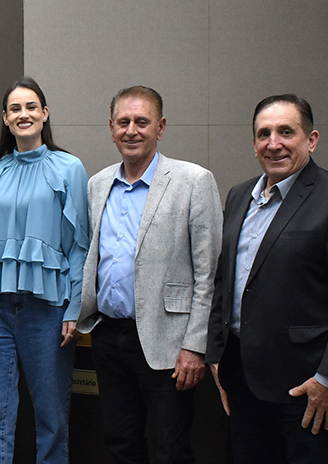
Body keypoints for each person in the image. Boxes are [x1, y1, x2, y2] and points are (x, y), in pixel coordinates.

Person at [206, 94, 328, 464]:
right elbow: (225, 280)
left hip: (306, 387)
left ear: (311, 139)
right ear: (254, 143)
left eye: (286, 132)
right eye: (264, 134)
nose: (274, 143)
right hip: (241, 377)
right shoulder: (239, 196)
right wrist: (217, 355)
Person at [76, 86, 222, 464]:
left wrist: (195, 346)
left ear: (161, 127)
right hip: (109, 337)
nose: (131, 130)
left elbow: (208, 274)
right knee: (120, 444)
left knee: (169, 449)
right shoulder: (97, 185)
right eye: (123, 122)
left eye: (142, 122)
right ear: (111, 128)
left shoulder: (193, 181)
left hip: (168, 343)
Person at [0, 76, 89, 463]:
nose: (23, 114)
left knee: (51, 415)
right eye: (15, 108)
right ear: (5, 118)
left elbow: (80, 244)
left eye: (31, 107)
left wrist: (75, 306)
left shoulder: (69, 168)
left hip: (47, 308)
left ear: (45, 114)